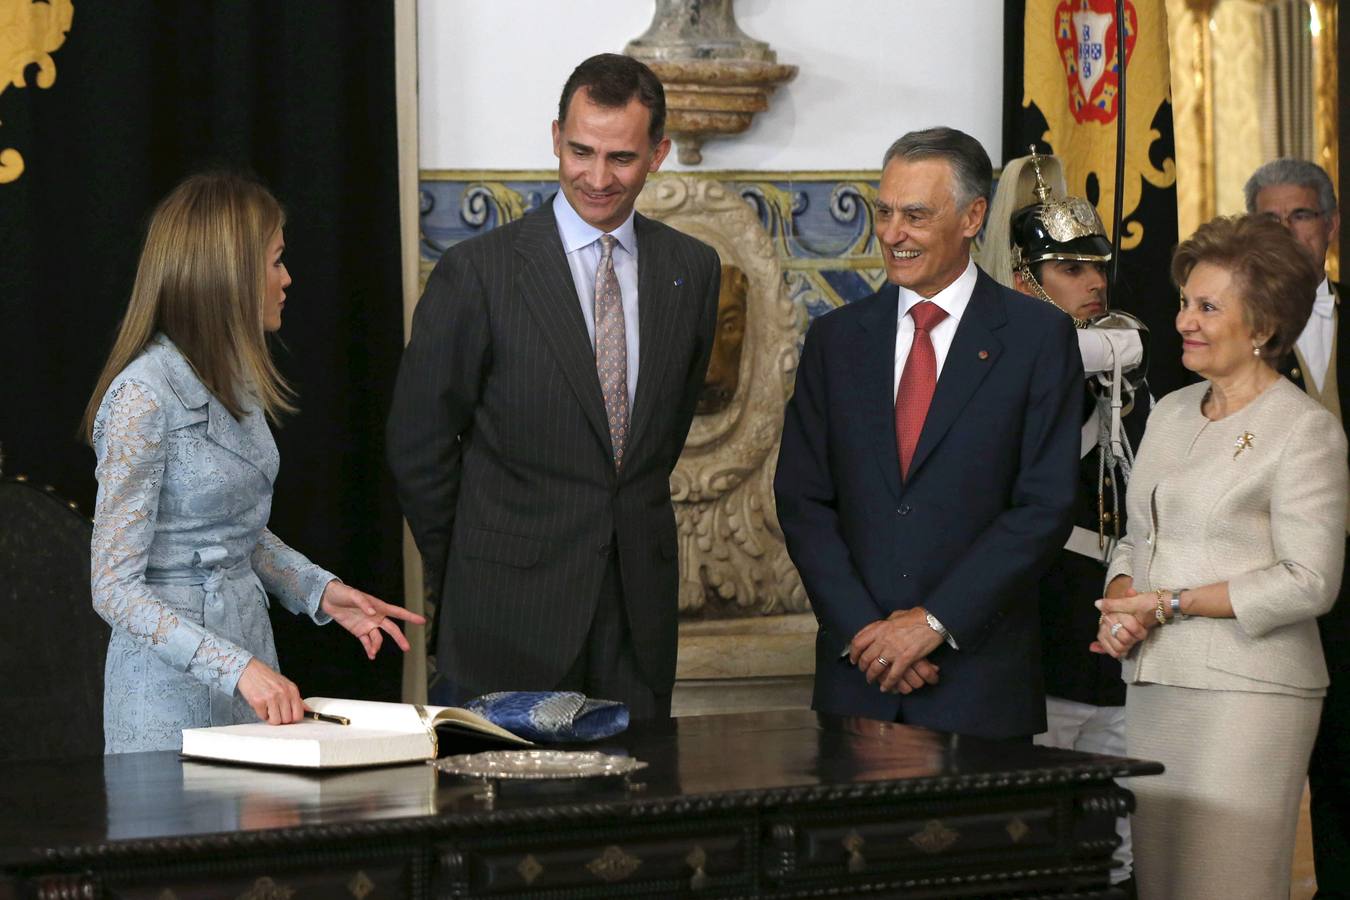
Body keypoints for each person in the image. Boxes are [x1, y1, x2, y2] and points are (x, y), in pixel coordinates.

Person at [386, 54, 719, 720]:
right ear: (555, 138)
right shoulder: (478, 273)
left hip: (637, 624)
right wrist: (479, 565)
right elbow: (418, 447)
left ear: (658, 154)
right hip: (504, 622)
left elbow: (663, 432)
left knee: (645, 787)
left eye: (621, 158)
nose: (597, 178)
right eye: (580, 151)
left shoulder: (693, 268)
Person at [83, 171, 424, 754]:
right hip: (165, 694)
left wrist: (320, 592)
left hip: (252, 663)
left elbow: (232, 533)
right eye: (275, 261)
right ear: (229, 274)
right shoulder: (142, 395)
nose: (286, 278)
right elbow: (113, 588)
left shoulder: (234, 379)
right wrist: (233, 667)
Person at [773, 127, 1083, 740]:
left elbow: (1043, 507)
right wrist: (865, 633)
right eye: (884, 212)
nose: (892, 234)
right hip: (858, 677)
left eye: (915, 215)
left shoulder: (1037, 338)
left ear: (972, 217)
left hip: (978, 681)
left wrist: (933, 623)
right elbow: (802, 499)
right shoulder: (836, 340)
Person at [1094, 214, 1346, 899]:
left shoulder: (1305, 429)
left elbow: (1310, 580)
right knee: (1161, 886)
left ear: (1263, 324)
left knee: (1226, 885)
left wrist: (1169, 604)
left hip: (1249, 692)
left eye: (1208, 307)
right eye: (1185, 303)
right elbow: (1139, 536)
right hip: (1156, 684)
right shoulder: (1171, 411)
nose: (1184, 322)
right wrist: (1123, 600)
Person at [978, 150, 1149, 888]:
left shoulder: (1126, 353)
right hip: (1041, 616)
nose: (1094, 282)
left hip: (1121, 611)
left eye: (1097, 266)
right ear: (1025, 278)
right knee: (1041, 831)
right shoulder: (1001, 362)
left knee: (1121, 836)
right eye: (1071, 269)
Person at [1244, 157, 1349, 900]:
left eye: (1301, 215)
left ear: (1330, 227)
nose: (1286, 231)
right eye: (1269, 219)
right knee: (1263, 786)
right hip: (1262, 592)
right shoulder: (1219, 336)